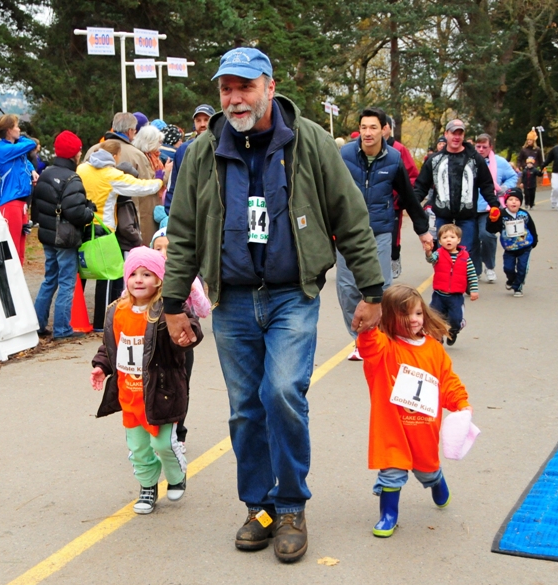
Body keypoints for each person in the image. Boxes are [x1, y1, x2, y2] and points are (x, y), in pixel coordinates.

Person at [162, 47, 385, 562]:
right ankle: (258, 507)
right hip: (233, 301)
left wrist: (372, 292)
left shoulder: (309, 142)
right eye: (226, 88)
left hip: (292, 294)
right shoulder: (202, 151)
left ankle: (291, 506)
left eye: (244, 86)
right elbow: (186, 232)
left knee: (283, 392)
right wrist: (174, 304)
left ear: (268, 84)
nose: (235, 98)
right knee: (245, 410)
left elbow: (351, 217)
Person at [90, 247, 202, 515]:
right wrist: (101, 366)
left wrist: (187, 337)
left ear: (160, 279)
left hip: (161, 392)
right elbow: (111, 345)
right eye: (134, 274)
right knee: (139, 448)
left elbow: (192, 328)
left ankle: (176, 475)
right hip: (130, 394)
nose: (139, 279)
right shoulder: (117, 310)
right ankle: (147, 487)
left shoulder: (167, 310)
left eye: (147, 274)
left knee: (163, 444)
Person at [357, 284, 472, 538]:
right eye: (404, 314)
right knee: (391, 472)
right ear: (388, 316)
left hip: (423, 426)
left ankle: (437, 482)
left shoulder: (433, 348)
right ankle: (388, 516)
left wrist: (461, 403)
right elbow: (369, 345)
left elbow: (447, 380)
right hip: (392, 426)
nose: (413, 320)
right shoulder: (384, 347)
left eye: (418, 313)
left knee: (427, 470)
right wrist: (368, 323)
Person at [339, 107, 432, 361]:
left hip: (380, 229)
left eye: (373, 127)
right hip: (347, 231)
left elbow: (409, 197)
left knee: (382, 288)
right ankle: (359, 338)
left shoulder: (393, 159)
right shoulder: (344, 154)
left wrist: (422, 230)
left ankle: (383, 334)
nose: (368, 133)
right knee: (347, 287)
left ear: (384, 130)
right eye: (364, 127)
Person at [77, 140, 165, 331]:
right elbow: (143, 187)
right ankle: (101, 322)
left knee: (81, 274)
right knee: (107, 277)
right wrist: (160, 178)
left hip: (82, 226)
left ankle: (75, 319)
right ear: (116, 157)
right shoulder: (112, 175)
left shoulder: (82, 170)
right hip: (104, 230)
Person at [30, 130, 95, 340]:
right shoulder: (72, 178)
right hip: (65, 237)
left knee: (50, 279)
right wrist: (89, 212)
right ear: (75, 154)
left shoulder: (46, 173)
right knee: (67, 282)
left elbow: (37, 206)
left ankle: (38, 323)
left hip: (48, 234)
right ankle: (62, 329)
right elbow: (75, 212)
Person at [151, 226, 211, 452]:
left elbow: (204, 310)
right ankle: (151, 432)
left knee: (180, 386)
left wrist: (194, 286)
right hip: (152, 343)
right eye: (158, 248)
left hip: (181, 343)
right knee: (151, 387)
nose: (164, 253)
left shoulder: (187, 277)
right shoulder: (145, 278)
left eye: (170, 248)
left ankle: (178, 433)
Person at [413, 119, 499, 258]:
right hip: (441, 215)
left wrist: (494, 205)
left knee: (464, 254)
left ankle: (463, 279)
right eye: (453, 133)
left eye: (460, 133)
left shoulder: (475, 159)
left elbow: (486, 184)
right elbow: (421, 186)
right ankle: (446, 279)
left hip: (467, 216)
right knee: (443, 255)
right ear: (446, 134)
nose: (456, 137)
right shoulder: (434, 160)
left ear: (464, 136)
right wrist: (413, 205)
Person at [85, 113, 157, 243]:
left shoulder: (93, 150)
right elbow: (146, 196)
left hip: (95, 223)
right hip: (128, 223)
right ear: (130, 131)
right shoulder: (137, 155)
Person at [473, 133, 518, 283]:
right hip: (470, 207)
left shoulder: (499, 162)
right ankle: (475, 270)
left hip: (489, 206)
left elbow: (513, 176)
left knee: (487, 236)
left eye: (484, 147)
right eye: (478, 146)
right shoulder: (469, 160)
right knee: (471, 239)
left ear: (490, 147)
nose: (480, 149)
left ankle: (490, 267)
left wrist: (505, 187)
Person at [425, 223, 479, 346]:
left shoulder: (465, 257)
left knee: (455, 320)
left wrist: (474, 290)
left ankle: (453, 331)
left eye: (452, 237)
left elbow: (472, 274)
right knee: (435, 318)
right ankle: (438, 339)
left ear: (458, 240)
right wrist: (428, 252)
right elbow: (430, 260)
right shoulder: (438, 254)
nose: (448, 239)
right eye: (445, 237)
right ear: (440, 241)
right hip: (439, 295)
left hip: (456, 296)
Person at [0, 114, 38, 263]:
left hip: (22, 204)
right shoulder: (4, 149)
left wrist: (32, 170)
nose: (19, 129)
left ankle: (18, 283)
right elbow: (32, 144)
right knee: (11, 250)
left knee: (20, 251)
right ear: (8, 131)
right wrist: (20, 138)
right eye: (16, 127)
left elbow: (24, 161)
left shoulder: (14, 149)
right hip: (10, 202)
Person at [381, 114, 419, 280]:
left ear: (389, 128)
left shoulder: (399, 149)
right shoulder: (361, 149)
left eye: (384, 127)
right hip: (372, 204)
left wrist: (400, 196)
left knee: (393, 237)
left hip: (393, 204)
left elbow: (413, 176)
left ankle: (395, 257)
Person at [486, 188, 538, 297]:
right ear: (505, 202)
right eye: (510, 199)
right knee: (508, 268)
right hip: (509, 248)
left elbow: (531, 227)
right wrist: (492, 220)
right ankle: (511, 279)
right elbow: (491, 229)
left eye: (517, 200)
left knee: (522, 268)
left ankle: (517, 287)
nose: (514, 202)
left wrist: (534, 240)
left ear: (520, 202)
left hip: (525, 246)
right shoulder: (501, 214)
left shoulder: (524, 214)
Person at [164, 104, 215, 214]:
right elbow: (174, 184)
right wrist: (170, 211)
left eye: (206, 120)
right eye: (198, 120)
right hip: (189, 212)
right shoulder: (183, 149)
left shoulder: (222, 147)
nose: (202, 124)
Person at [132, 124, 172, 205]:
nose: (160, 145)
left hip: (152, 200)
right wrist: (166, 170)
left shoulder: (153, 155)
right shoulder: (143, 157)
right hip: (147, 203)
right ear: (150, 142)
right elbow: (153, 179)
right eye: (159, 142)